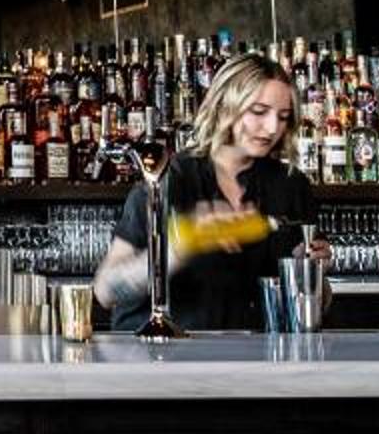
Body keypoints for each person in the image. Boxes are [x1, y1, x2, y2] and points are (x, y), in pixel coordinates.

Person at [92, 50, 328, 333]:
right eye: (259, 112)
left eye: (283, 117)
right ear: (224, 106)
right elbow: (105, 290)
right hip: (162, 352)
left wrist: (311, 273)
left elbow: (319, 302)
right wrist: (179, 248)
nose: (272, 128)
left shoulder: (290, 185)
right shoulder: (168, 180)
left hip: (254, 352)